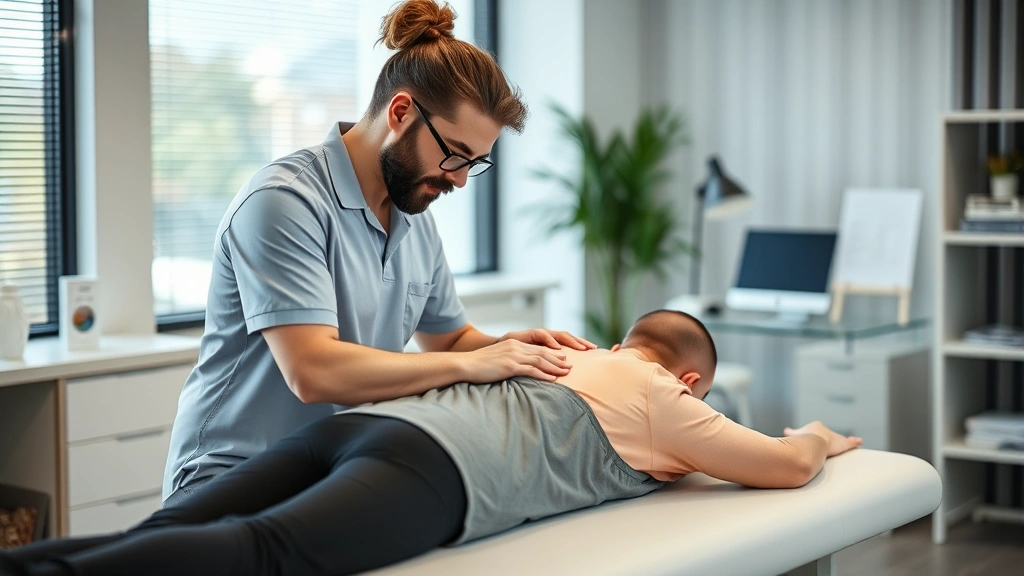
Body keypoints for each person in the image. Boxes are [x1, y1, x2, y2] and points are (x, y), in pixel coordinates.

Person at [0, 310, 863, 576]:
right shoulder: (661, 395)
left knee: (158, 532)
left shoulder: (563, 352)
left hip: (354, 426)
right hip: (429, 470)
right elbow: (783, 467)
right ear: (691, 381)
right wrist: (816, 434)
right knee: (264, 557)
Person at [162, 0, 595, 507]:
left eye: (473, 163)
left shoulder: (414, 217)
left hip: (327, 472)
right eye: (454, 154)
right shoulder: (284, 202)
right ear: (400, 112)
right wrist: (475, 366)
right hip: (229, 476)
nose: (457, 179)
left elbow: (449, 339)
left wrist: (514, 350)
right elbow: (314, 371)